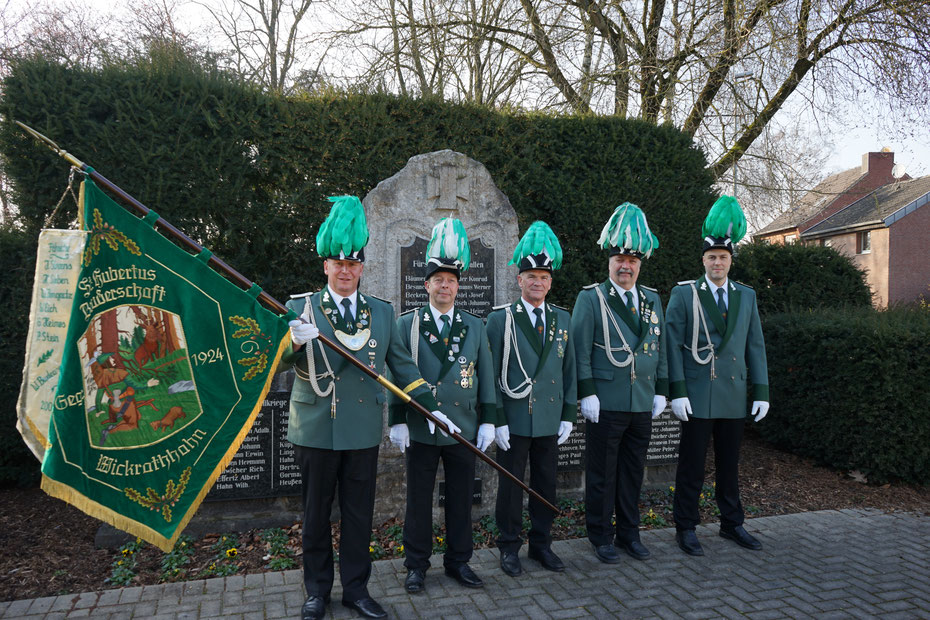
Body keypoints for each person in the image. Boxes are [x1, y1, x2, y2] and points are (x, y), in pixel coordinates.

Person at [281, 196, 443, 620]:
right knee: (315, 515)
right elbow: (274, 362)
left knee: (358, 515)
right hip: (315, 427)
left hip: (362, 431)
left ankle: (356, 590)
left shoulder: (381, 313)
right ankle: (316, 590)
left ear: (362, 268)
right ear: (326, 266)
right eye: (339, 264)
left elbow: (403, 367)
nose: (346, 271)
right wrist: (293, 341)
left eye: (353, 265)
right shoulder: (301, 309)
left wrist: (430, 408)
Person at [387, 218, 497, 594]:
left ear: (458, 286)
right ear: (427, 285)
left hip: (463, 425)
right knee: (418, 501)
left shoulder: (475, 326)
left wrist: (489, 420)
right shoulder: (407, 325)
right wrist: (398, 418)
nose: (445, 286)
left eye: (451, 281)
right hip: (421, 426)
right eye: (439, 280)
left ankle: (459, 561)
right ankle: (416, 565)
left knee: (461, 498)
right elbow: (396, 374)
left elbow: (485, 374)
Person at [666, 195, 769, 556]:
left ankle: (732, 523)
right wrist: (676, 391)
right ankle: (686, 526)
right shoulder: (684, 294)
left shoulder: (746, 296)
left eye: (723, 257)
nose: (717, 263)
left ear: (730, 260)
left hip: (732, 394)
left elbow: (754, 345)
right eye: (711, 257)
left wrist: (762, 392)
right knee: (691, 465)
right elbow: (672, 344)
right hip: (696, 393)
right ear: (704, 260)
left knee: (729, 465)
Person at [571, 203, 668, 564]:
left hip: (642, 401)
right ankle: (601, 536)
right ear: (609, 262)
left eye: (633, 261)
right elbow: (580, 351)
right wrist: (586, 392)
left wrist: (662, 389)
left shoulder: (651, 299)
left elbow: (660, 349)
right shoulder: (591, 297)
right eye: (620, 260)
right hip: (606, 400)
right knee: (601, 474)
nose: (626, 266)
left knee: (632, 473)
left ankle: (630, 533)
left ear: (640, 264)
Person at [486, 221, 577, 576]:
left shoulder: (562, 319)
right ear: (519, 280)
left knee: (546, 484)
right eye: (530, 276)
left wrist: (569, 413)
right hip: (515, 418)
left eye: (543, 276)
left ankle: (542, 544)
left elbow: (569, 369)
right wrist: (497, 419)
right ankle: (509, 547)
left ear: (550, 282)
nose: (537, 282)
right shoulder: (500, 320)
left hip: (550, 418)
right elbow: (490, 374)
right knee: (510, 487)